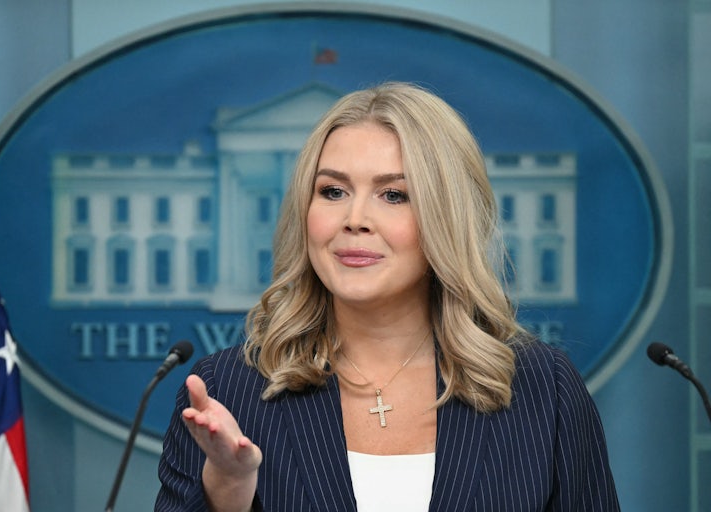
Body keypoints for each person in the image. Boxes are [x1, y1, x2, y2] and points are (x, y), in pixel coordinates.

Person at [155, 82, 620, 511]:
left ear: (446, 217)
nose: (354, 219)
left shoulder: (546, 390)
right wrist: (228, 488)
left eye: (393, 195)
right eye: (333, 191)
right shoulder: (225, 391)